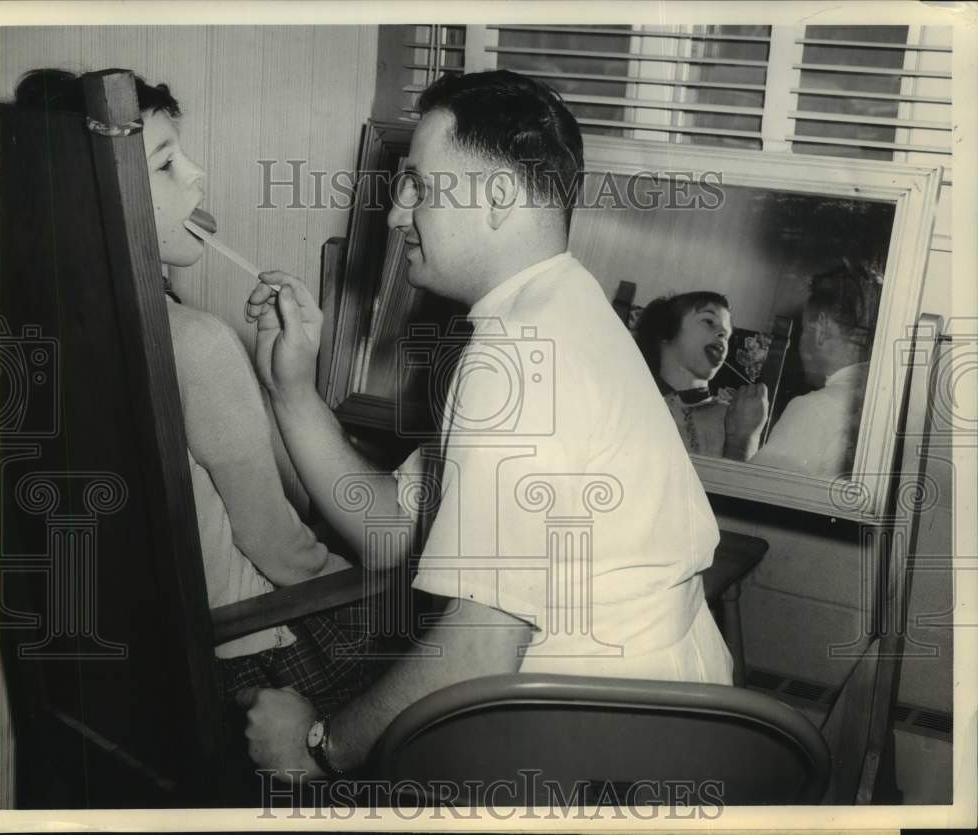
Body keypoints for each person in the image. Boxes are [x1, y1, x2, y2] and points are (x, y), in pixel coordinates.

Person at [240, 69, 733, 782]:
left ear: (498, 197)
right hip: (653, 728)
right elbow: (389, 532)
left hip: (602, 762)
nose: (396, 215)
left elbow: (477, 653)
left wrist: (316, 745)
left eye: (420, 187)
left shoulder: (517, 356)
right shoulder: (558, 306)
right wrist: (291, 388)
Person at [13, 69, 373, 713]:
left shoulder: (36, 332)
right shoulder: (197, 343)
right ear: (100, 191)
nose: (198, 174)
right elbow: (285, 553)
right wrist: (375, 581)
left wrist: (269, 382)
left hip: (134, 670)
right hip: (255, 654)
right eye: (167, 163)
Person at [749, 263, 878, 476]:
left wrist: (741, 440)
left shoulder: (815, 410)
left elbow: (750, 501)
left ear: (822, 329)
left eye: (804, 328)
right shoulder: (878, 403)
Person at [636, 291, 768, 460]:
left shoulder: (734, 418)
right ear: (665, 331)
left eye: (727, 335)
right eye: (709, 321)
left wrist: (744, 439)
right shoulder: (634, 401)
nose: (722, 333)